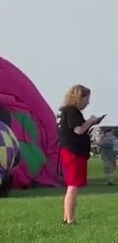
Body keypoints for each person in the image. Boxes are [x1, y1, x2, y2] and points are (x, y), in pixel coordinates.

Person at [59, 84, 104, 225]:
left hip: (68, 150)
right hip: (74, 151)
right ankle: (70, 220)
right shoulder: (72, 110)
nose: (88, 102)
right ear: (79, 97)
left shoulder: (63, 111)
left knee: (71, 185)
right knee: (73, 186)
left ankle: (67, 217)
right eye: (86, 99)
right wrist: (90, 121)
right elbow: (78, 130)